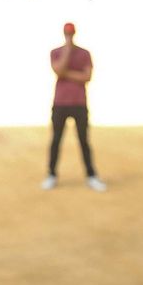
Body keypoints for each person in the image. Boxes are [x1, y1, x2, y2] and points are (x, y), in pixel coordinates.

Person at [43, 22, 104, 191]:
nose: (69, 36)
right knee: (56, 140)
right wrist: (67, 52)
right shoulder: (56, 52)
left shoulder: (85, 54)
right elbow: (59, 70)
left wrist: (65, 74)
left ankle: (91, 175)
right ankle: (51, 174)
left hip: (79, 103)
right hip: (60, 103)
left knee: (84, 140)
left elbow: (87, 77)